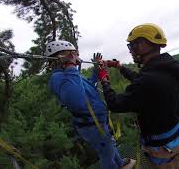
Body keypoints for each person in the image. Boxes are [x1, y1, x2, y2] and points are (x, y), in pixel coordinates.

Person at [100, 23, 179, 169]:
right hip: (174, 141)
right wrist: (119, 67)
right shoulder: (167, 67)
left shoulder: (148, 79)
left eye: (132, 46)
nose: (130, 51)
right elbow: (141, 79)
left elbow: (115, 104)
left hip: (161, 151)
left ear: (143, 45)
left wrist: (104, 79)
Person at [45, 40, 135, 169]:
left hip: (96, 121)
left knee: (109, 145)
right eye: (73, 54)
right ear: (62, 57)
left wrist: (95, 71)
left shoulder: (70, 74)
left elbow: (89, 85)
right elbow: (76, 100)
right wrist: (71, 66)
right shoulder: (58, 77)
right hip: (91, 124)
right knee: (106, 153)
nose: (76, 57)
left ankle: (119, 163)